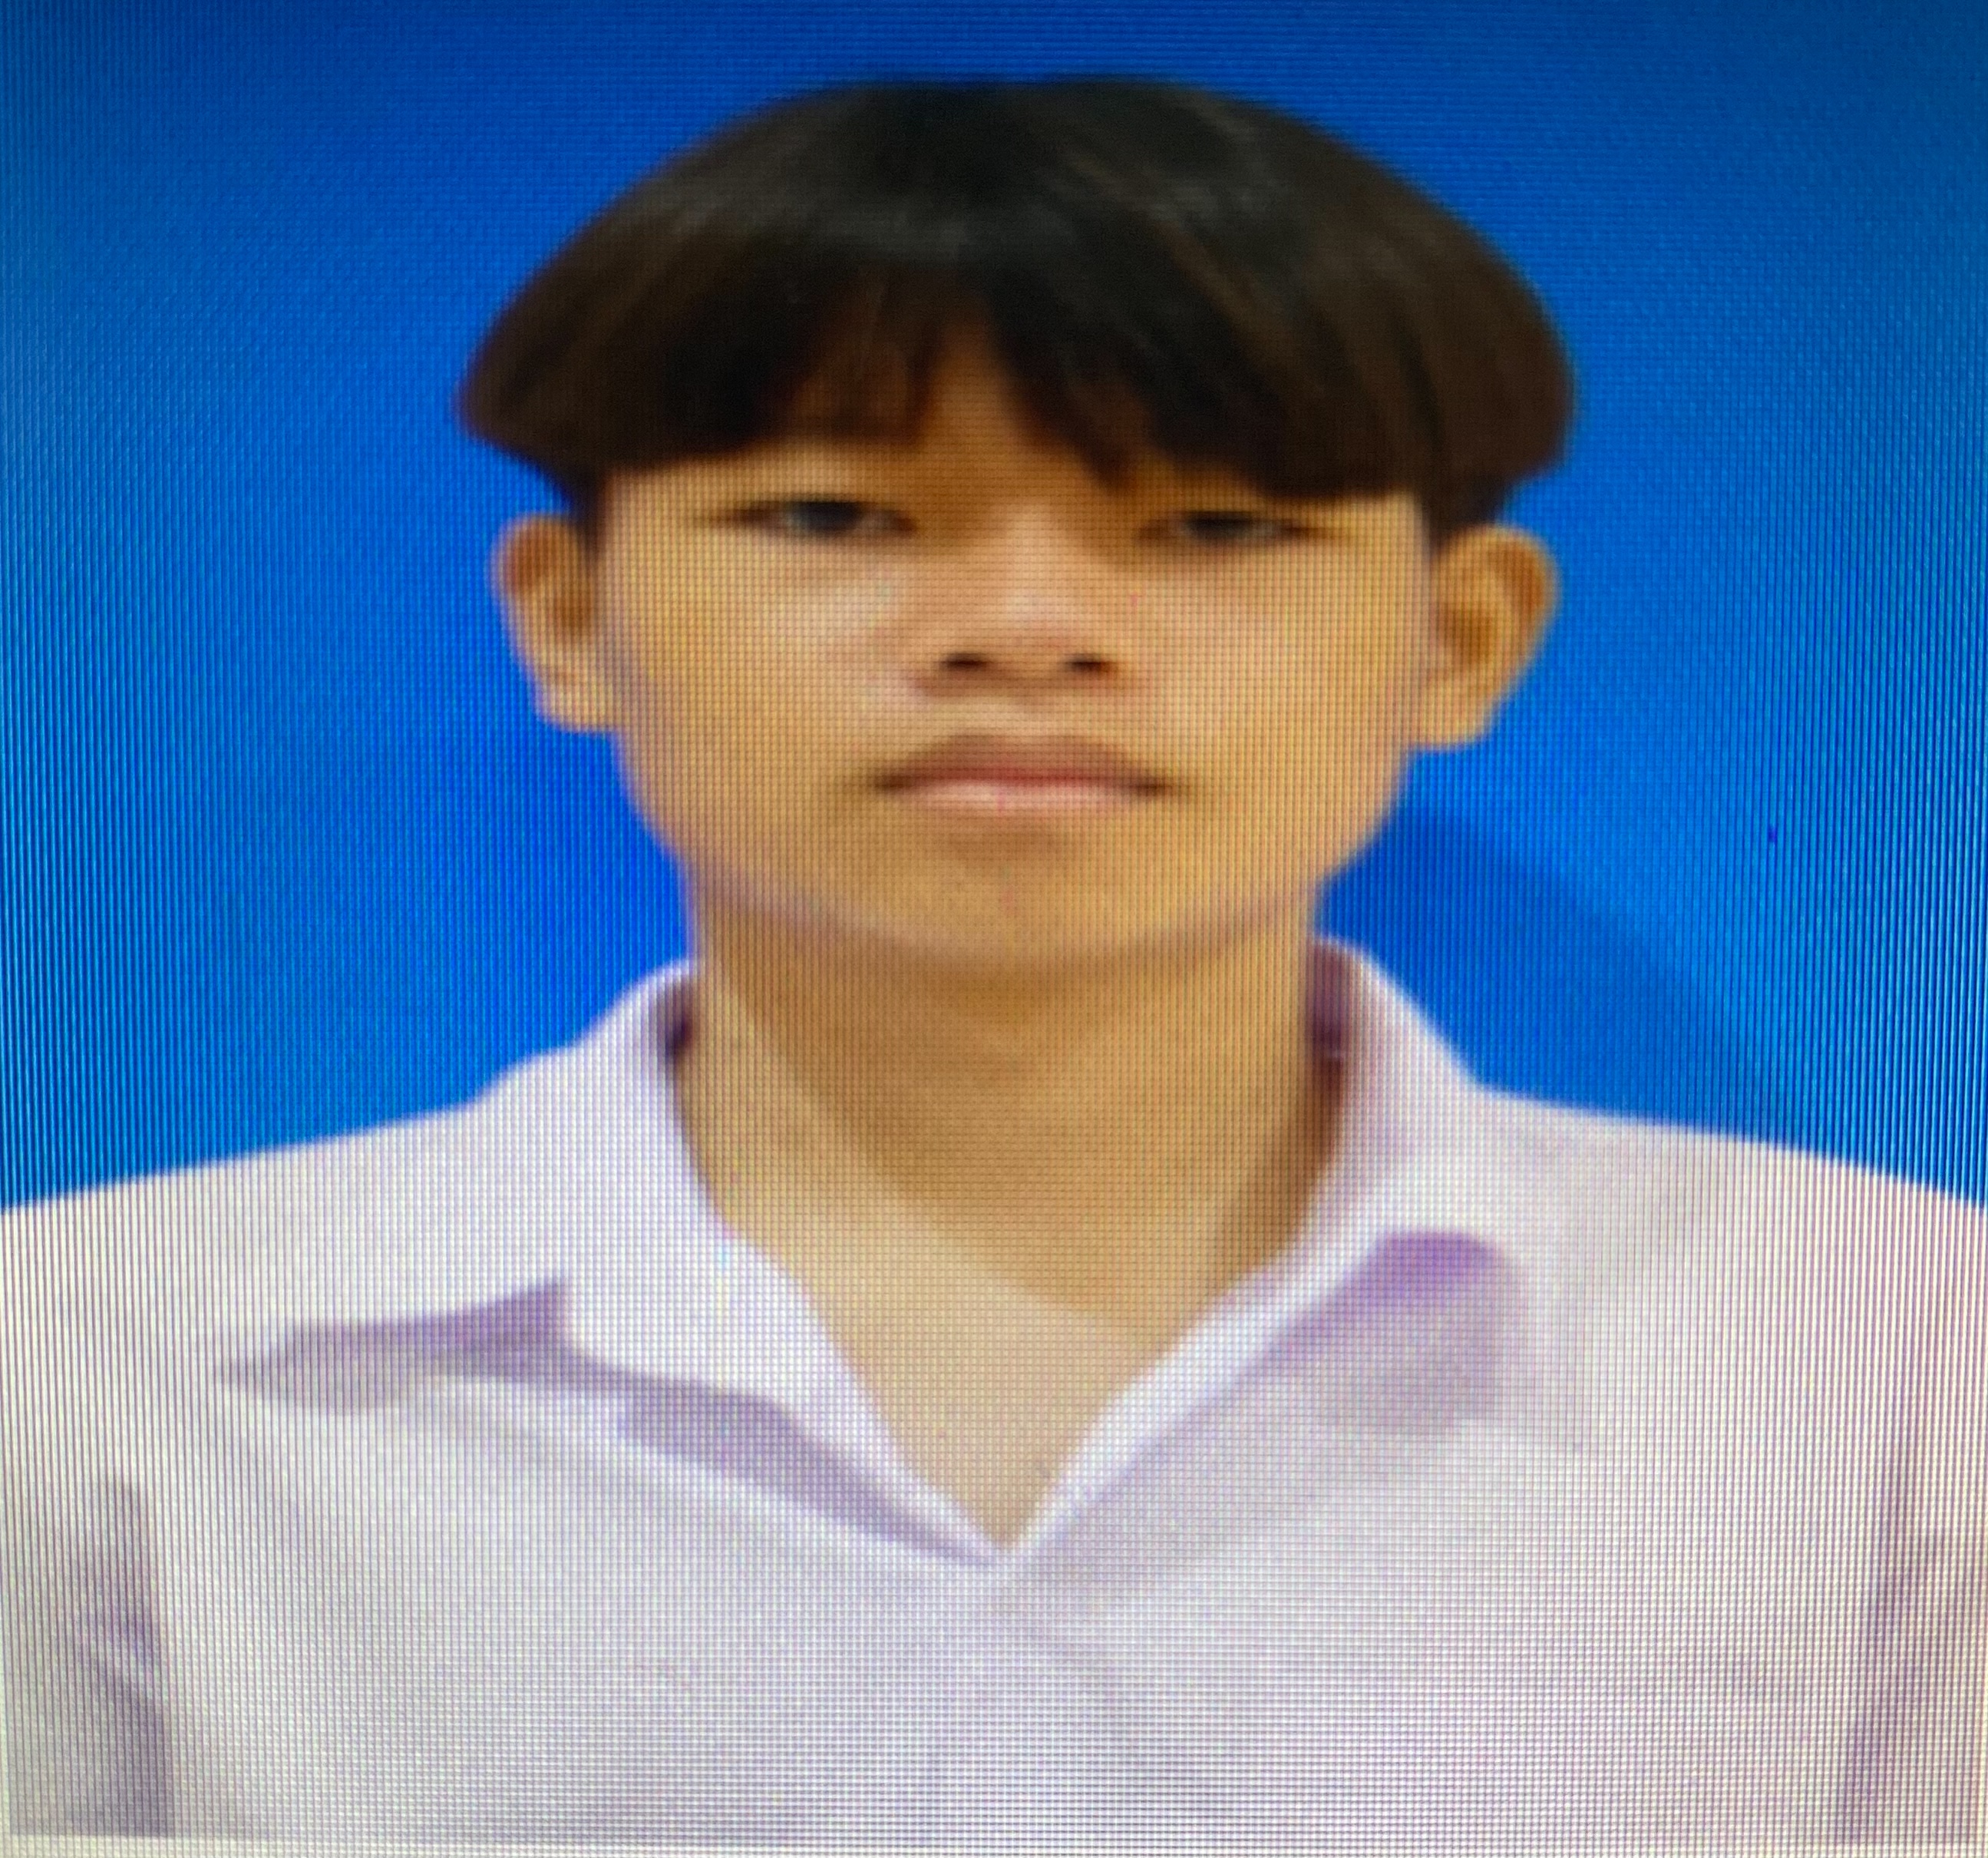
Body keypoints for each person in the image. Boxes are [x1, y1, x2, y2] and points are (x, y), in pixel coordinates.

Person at [3, 74, 1981, 1847]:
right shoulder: (88, 1362)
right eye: (835, 512)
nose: (1027, 627)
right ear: (569, 619)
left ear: (1460, 640)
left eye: (1216, 525)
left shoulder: (1897, 1353)